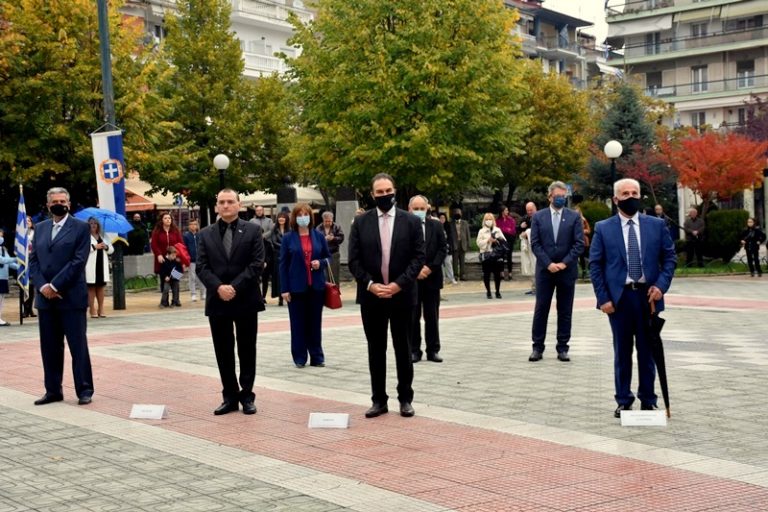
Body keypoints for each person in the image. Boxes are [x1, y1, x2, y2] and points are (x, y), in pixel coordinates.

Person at [589, 178, 676, 418]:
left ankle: (648, 399)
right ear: (616, 199)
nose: (630, 197)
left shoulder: (656, 226)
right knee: (622, 351)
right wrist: (603, 298)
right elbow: (595, 265)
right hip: (620, 300)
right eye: (625, 193)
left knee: (648, 351)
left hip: (648, 298)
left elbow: (670, 259)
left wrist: (661, 286)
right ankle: (624, 400)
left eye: (634, 192)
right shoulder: (603, 228)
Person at [348, 173, 425, 419]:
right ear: (372, 195)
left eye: (388, 190)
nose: (384, 195)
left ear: (394, 190)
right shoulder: (360, 223)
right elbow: (354, 260)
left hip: (401, 295)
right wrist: (370, 284)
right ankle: (378, 400)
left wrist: (398, 284)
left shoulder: (411, 222)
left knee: (403, 348)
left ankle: (405, 399)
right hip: (372, 297)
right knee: (376, 349)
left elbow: (418, 257)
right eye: (379, 192)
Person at [196, 189, 265, 415]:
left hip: (245, 298)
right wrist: (218, 287)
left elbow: (256, 264)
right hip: (218, 301)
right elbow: (202, 267)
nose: (226, 206)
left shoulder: (254, 230)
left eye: (230, 202)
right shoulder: (205, 234)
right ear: (216, 206)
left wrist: (234, 287)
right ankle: (229, 396)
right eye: (221, 202)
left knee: (247, 349)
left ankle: (247, 395)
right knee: (223, 351)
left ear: (239, 204)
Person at [29, 187, 94, 405]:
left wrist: (55, 285)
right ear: (48, 205)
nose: (60, 203)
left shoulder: (81, 228)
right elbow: (34, 261)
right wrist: (43, 286)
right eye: (55, 201)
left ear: (69, 203)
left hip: (71, 296)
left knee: (78, 346)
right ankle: (53, 390)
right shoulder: (40, 228)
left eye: (63, 200)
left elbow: (78, 261)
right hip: (45, 299)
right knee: (49, 347)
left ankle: (84, 390)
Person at [529, 181, 584, 362]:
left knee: (565, 310)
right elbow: (535, 244)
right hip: (545, 271)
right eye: (557, 196)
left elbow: (578, 244)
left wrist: (564, 263)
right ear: (550, 196)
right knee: (541, 308)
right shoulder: (538, 217)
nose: (561, 199)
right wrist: (549, 264)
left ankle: (562, 347)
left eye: (563, 196)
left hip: (566, 271)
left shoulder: (573, 217)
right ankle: (537, 347)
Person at [280, 203, 332, 368]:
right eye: (300, 214)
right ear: (295, 218)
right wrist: (284, 289)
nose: (303, 217)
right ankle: (300, 357)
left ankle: (317, 356)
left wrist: (321, 262)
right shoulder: (288, 238)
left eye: (306, 214)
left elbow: (328, 257)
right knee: (297, 324)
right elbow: (282, 264)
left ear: (310, 216)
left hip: (316, 286)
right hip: (296, 288)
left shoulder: (318, 236)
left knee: (315, 323)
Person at [408, 195, 447, 363]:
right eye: (415, 209)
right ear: (409, 209)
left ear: (427, 208)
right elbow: (401, 251)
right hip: (412, 279)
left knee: (432, 316)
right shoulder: (403, 227)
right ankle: (414, 350)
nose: (419, 212)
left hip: (432, 277)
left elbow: (442, 249)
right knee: (413, 316)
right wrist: (416, 270)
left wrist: (430, 268)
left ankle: (433, 350)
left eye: (421, 208)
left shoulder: (436, 225)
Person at [85, 217, 114, 318]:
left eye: (95, 223)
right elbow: (82, 249)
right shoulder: (85, 236)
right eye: (91, 223)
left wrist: (106, 247)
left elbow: (111, 250)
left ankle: (101, 308)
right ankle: (92, 308)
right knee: (91, 287)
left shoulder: (103, 235)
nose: (93, 225)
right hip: (90, 264)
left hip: (101, 263)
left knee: (100, 287)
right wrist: (94, 247)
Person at [476, 213, 506, 299]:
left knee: (497, 274)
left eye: (490, 219)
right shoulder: (481, 231)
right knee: (486, 274)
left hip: (496, 255)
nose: (488, 221)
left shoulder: (497, 230)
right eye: (487, 219)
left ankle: (497, 291)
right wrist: (488, 240)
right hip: (486, 254)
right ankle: (488, 291)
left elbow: (504, 241)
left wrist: (496, 240)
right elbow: (479, 243)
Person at [150, 212, 183, 283]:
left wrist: (178, 255)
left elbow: (180, 244)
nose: (168, 220)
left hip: (174, 258)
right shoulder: (157, 231)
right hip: (163, 260)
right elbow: (154, 244)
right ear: (161, 220)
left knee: (175, 280)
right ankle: (165, 292)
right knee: (164, 281)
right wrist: (158, 254)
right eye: (165, 218)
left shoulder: (175, 231)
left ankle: (175, 292)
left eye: (169, 218)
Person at [316, 211, 345, 284]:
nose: (328, 223)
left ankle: (335, 294)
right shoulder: (318, 228)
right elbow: (315, 241)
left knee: (335, 276)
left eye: (330, 221)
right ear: (323, 220)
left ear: (332, 220)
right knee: (324, 276)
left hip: (334, 254)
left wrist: (333, 238)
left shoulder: (337, 227)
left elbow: (341, 238)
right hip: (323, 255)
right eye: (326, 221)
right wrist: (323, 239)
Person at [269, 211, 290, 306]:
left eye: (283, 217)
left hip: (288, 255)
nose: (281, 219)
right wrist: (284, 246)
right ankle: (280, 298)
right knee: (278, 277)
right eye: (279, 217)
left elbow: (291, 241)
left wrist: (286, 247)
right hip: (277, 255)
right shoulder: (274, 229)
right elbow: (273, 241)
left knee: (288, 275)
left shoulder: (290, 230)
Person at [0, 228, 19, 326]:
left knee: (1, 298)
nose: (1, 237)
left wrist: (19, 267)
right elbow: (2, 260)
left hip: (3, 277)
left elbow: (8, 263)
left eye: (1, 235)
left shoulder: (3, 248)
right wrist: (15, 258)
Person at [183, 219, 205, 302]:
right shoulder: (186, 236)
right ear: (189, 226)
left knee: (202, 277)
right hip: (191, 260)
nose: (193, 226)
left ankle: (203, 293)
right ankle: (193, 294)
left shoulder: (200, 235)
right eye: (191, 224)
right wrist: (186, 258)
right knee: (192, 277)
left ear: (197, 225)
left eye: (195, 224)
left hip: (200, 260)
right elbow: (184, 248)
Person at [519, 202, 537, 295]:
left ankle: (538, 288)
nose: (529, 212)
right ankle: (534, 287)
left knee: (536, 266)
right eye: (528, 210)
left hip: (537, 246)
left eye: (531, 210)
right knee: (530, 266)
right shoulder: (525, 218)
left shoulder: (540, 217)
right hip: (527, 245)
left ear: (535, 208)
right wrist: (521, 227)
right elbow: (518, 230)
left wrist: (528, 232)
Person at [496, 206, 517, 280]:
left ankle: (510, 273)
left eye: (507, 210)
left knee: (509, 256)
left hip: (509, 239)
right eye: (506, 210)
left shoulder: (511, 220)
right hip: (501, 240)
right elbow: (497, 230)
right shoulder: (498, 220)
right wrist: (506, 229)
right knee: (500, 256)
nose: (507, 212)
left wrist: (504, 230)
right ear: (502, 211)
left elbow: (513, 231)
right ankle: (501, 273)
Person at [450, 208, 470, 281]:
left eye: (459, 213)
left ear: (461, 214)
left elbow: (468, 234)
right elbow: (450, 235)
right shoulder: (451, 223)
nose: (458, 214)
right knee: (455, 261)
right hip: (455, 244)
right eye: (456, 212)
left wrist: (468, 244)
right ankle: (455, 275)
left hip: (463, 243)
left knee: (462, 261)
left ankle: (462, 275)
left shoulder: (465, 223)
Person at [437, 213, 457, 285]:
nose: (442, 219)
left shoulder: (448, 226)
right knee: (441, 265)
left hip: (447, 248)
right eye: (441, 218)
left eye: (444, 218)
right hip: (439, 249)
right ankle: (442, 279)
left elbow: (451, 238)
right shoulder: (437, 226)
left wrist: (449, 245)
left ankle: (452, 278)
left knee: (448, 263)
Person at [23, 217, 37, 318]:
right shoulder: (20, 234)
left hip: (33, 261)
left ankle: (30, 309)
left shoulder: (35, 232)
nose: (27, 222)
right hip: (24, 261)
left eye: (29, 221)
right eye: (25, 221)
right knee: (24, 286)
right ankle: (25, 309)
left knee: (31, 287)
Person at [573, 205, 591, 280]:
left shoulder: (583, 220)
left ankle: (585, 271)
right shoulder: (572, 220)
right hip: (575, 241)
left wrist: (583, 231)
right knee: (577, 257)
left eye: (578, 212)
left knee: (584, 256)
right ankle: (579, 272)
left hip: (584, 241)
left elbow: (589, 230)